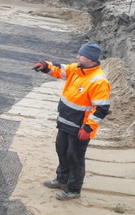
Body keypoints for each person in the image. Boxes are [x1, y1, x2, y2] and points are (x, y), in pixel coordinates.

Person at [33, 42, 111, 200]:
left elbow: (101, 108)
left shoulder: (99, 81)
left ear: (90, 59)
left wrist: (88, 128)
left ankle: (74, 189)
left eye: (81, 55)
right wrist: (45, 66)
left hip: (80, 128)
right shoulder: (77, 69)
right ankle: (62, 179)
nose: (78, 57)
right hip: (65, 122)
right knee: (61, 149)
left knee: (75, 157)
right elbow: (59, 69)